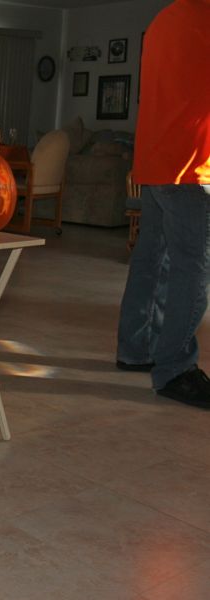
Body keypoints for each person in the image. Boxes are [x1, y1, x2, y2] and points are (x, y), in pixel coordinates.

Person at [116, 0, 210, 409]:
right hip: (190, 166)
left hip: (154, 161)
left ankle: (135, 350)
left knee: (151, 258)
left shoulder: (163, 20)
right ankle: (175, 369)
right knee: (193, 264)